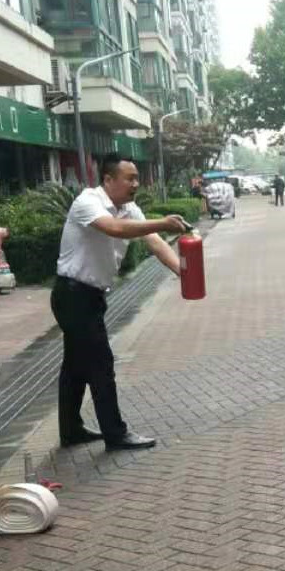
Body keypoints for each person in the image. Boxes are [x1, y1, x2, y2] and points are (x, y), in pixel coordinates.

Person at [53, 154, 189, 451]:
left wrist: (183, 272)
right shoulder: (88, 202)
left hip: (90, 296)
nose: (136, 184)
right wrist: (164, 221)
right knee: (101, 365)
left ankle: (71, 430)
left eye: (137, 178)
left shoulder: (129, 208)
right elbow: (114, 228)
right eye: (130, 178)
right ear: (108, 179)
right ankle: (116, 434)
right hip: (72, 296)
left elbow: (154, 241)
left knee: (75, 365)